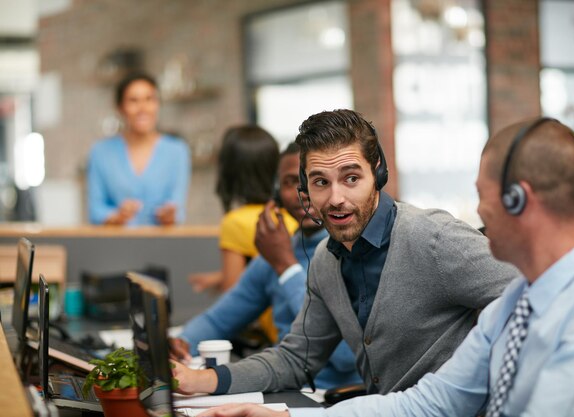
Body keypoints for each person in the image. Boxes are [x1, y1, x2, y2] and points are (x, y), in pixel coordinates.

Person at [201, 117, 574, 417]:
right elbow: (428, 403)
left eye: (484, 194)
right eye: (319, 182)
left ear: (518, 200)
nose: (477, 212)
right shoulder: (516, 302)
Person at [172, 109, 517, 397]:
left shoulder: (434, 238)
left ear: (377, 172)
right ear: (306, 187)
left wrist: (481, 377)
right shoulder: (325, 259)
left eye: (351, 178)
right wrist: (199, 380)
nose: (335, 198)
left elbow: (532, 293)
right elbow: (297, 359)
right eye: (320, 182)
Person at [170, 143, 361, 389]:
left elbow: (346, 356)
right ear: (276, 193)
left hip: (336, 397)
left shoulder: (352, 250)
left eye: (317, 180)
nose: (303, 190)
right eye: (291, 181)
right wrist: (184, 341)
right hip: (284, 384)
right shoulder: (277, 250)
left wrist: (286, 267)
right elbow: (219, 320)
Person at [188, 125, 298, 343]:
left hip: (280, 338)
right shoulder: (293, 217)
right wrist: (218, 277)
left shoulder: (237, 223)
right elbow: (266, 269)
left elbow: (233, 298)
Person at [87, 72, 191, 226]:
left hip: (162, 246)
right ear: (120, 108)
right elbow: (96, 211)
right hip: (116, 245)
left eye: (149, 99)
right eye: (133, 101)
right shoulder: (100, 153)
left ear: (158, 104)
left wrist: (168, 215)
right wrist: (117, 216)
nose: (143, 108)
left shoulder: (177, 151)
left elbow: (178, 208)